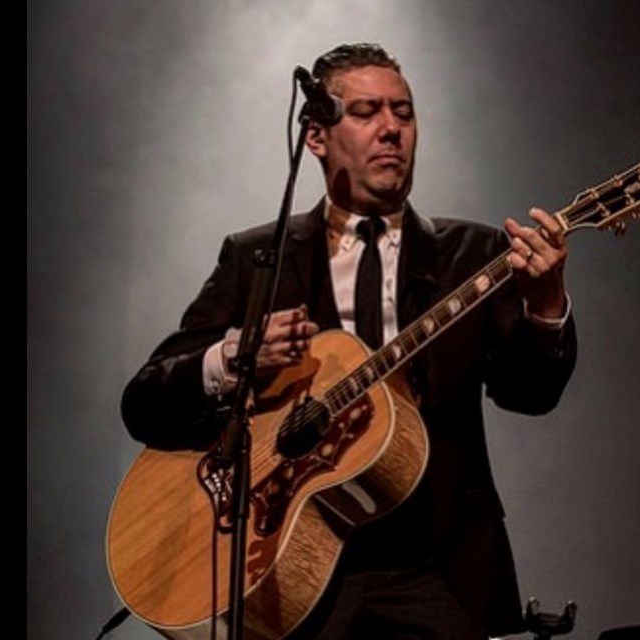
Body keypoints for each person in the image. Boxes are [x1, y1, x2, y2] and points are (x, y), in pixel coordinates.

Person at [121, 42, 577, 640]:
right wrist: (235, 358)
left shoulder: (473, 255)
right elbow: (145, 402)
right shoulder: (259, 256)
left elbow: (530, 393)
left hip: (435, 566)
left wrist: (546, 305)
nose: (392, 129)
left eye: (404, 112)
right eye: (366, 112)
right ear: (315, 135)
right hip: (288, 564)